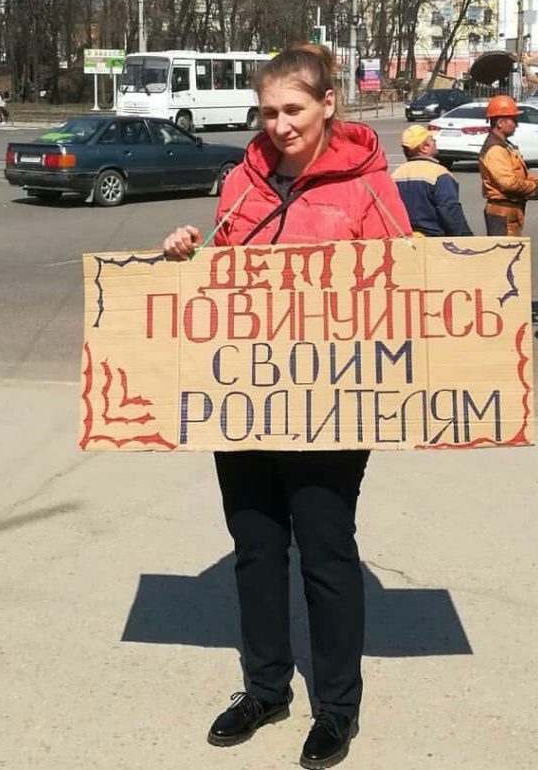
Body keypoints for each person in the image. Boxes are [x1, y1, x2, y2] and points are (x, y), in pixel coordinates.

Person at [162, 43, 410, 770]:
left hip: (330, 405)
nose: (279, 124)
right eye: (268, 111)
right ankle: (265, 689)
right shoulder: (243, 180)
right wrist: (185, 253)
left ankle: (336, 707)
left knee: (326, 555)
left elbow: (407, 282)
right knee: (257, 551)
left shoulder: (366, 185)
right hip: (243, 399)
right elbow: (220, 271)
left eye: (293, 109)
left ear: (328, 104)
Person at [478, 94, 538, 236]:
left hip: (509, 211)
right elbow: (509, 183)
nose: (516, 124)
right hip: (502, 212)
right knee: (505, 255)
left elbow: (520, 174)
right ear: (500, 123)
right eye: (513, 120)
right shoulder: (495, 150)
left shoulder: (504, 146)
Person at [392, 124, 473, 237]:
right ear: (424, 148)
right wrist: (466, 239)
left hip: (404, 241)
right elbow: (450, 212)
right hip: (434, 242)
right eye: (432, 141)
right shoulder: (439, 173)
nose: (435, 143)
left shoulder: (394, 175)